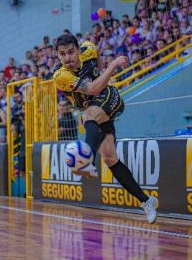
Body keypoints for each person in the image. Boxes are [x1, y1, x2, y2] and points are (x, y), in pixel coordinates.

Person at [53, 34, 158, 224]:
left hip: (110, 97)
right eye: (62, 54)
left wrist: (107, 69)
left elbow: (98, 68)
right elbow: (91, 89)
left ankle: (85, 160)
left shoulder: (90, 49)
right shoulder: (60, 75)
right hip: (94, 108)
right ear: (58, 56)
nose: (67, 58)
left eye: (70, 52)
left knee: (87, 117)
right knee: (110, 158)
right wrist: (113, 66)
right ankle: (147, 200)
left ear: (78, 50)